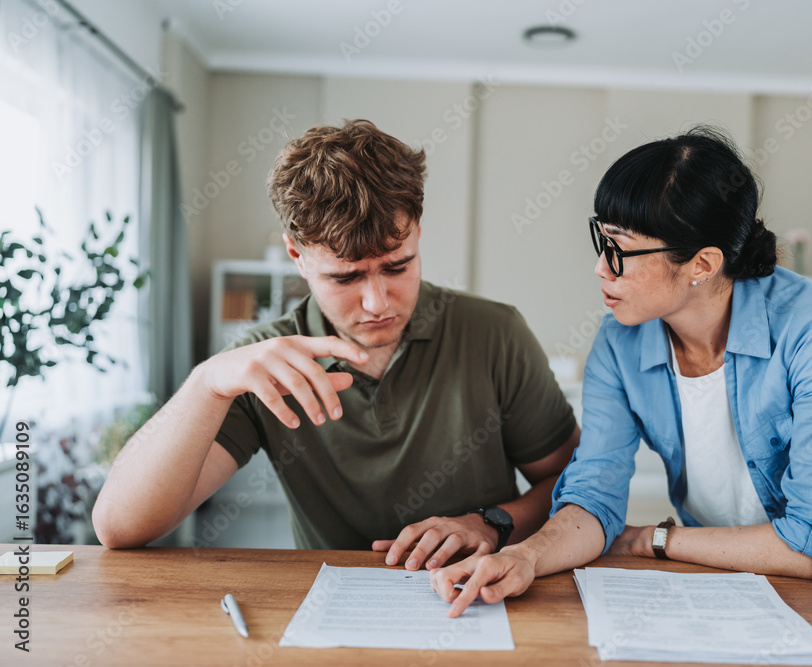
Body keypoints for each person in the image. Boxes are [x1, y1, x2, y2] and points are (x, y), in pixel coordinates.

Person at [430, 126, 812, 616]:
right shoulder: (619, 342)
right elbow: (593, 492)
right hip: (733, 550)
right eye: (601, 241)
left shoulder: (810, 323)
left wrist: (653, 540)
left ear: (702, 264)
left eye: (620, 249)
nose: (601, 267)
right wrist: (525, 556)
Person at [92, 120, 579, 570]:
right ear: (296, 257)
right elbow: (120, 528)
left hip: (479, 593)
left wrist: (491, 523)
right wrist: (206, 383)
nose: (376, 302)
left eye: (397, 266)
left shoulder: (493, 333)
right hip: (333, 609)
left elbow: (572, 483)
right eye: (345, 277)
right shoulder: (265, 362)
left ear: (417, 234)